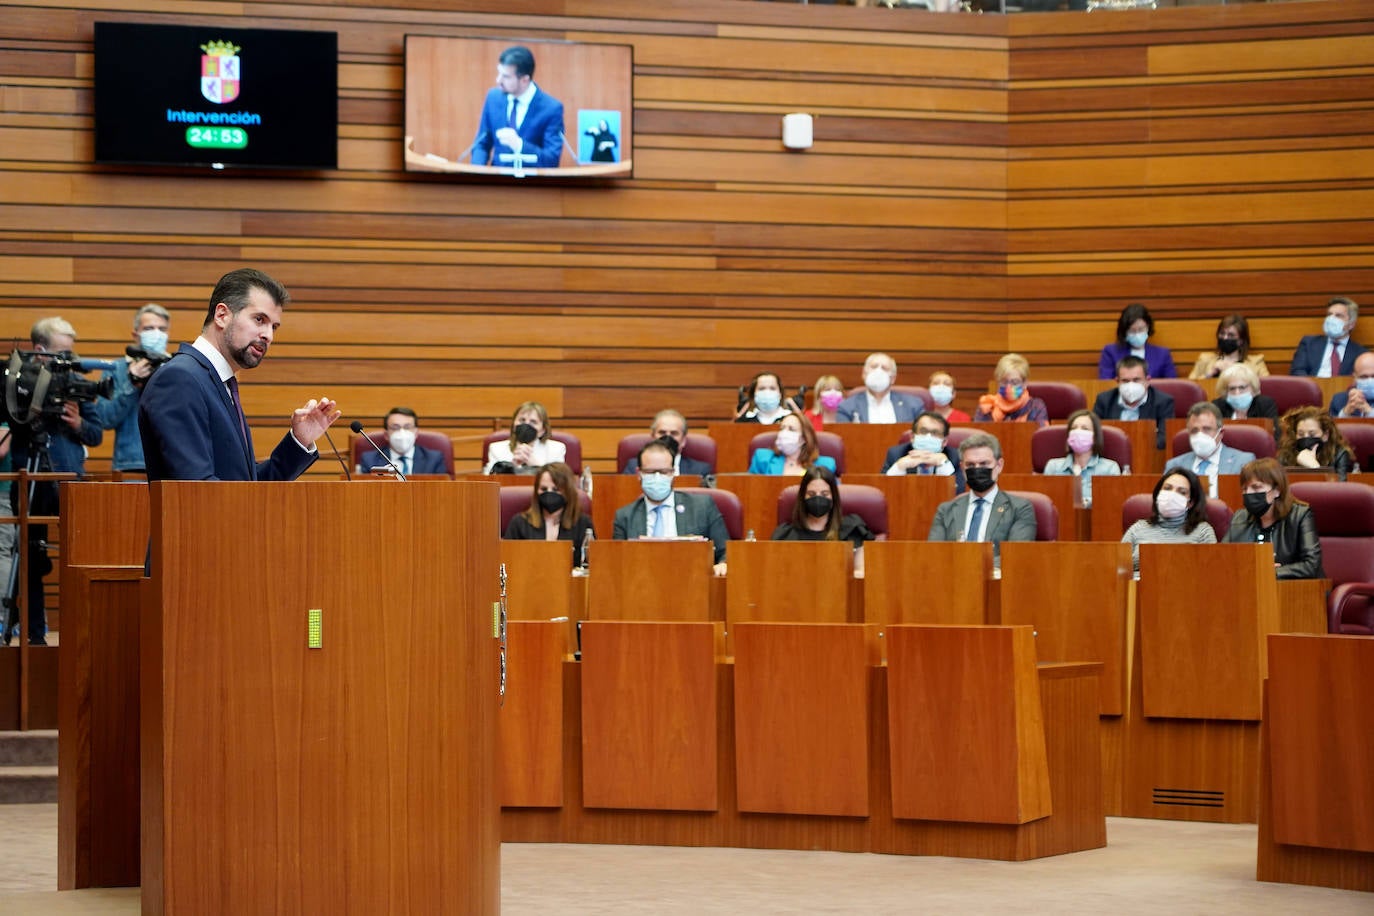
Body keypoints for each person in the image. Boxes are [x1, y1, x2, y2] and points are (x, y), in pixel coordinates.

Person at [139, 268, 340, 484]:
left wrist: (299, 441)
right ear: (222, 316)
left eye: (274, 326)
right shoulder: (180, 379)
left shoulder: (217, 382)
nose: (268, 335)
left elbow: (246, 489)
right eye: (259, 319)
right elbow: (196, 490)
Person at [2, 317, 104, 646]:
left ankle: (82, 634)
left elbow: (97, 434)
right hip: (29, 476)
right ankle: (33, 636)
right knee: (29, 558)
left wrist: (77, 424)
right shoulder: (19, 383)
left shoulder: (74, 383)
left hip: (70, 480)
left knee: (81, 556)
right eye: (60, 352)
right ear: (39, 349)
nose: (66, 361)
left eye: (70, 353)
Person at [612, 440, 729, 575]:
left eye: (664, 472)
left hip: (695, 583)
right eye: (650, 472)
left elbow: (725, 551)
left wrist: (723, 564)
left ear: (673, 473)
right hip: (642, 586)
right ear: (639, 474)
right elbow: (617, 562)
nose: (657, 477)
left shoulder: (702, 507)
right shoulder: (624, 516)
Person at [90, 303, 170, 473]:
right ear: (136, 335)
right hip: (130, 465)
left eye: (162, 329)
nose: (157, 334)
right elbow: (104, 419)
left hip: (171, 462)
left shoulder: (177, 369)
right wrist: (130, 383)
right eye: (149, 328)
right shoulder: (116, 370)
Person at [928, 432, 1037, 545]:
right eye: (970, 465)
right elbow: (935, 553)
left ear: (999, 465)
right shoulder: (946, 510)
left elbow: (1014, 556)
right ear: (961, 467)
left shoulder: (1019, 509)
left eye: (984, 464)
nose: (977, 469)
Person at [1224, 458, 1324, 580]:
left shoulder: (1300, 515)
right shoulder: (1240, 518)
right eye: (1245, 489)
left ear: (1277, 490)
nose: (1248, 493)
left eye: (1256, 488)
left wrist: (1273, 572)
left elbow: (1311, 565)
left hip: (1295, 591)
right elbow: (1223, 560)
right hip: (1251, 590)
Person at [471, 45, 564, 170]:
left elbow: (552, 159)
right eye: (499, 73)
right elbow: (481, 144)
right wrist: (476, 172)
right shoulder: (493, 98)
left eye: (506, 76)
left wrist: (519, 145)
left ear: (525, 80)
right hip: (496, 183)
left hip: (532, 186)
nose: (498, 80)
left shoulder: (551, 109)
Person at [1121, 468, 1217, 573]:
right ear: (1158, 494)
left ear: (1191, 503)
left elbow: (1212, 573)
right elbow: (1119, 568)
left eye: (1182, 492)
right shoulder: (1137, 529)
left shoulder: (1203, 532)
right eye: (1167, 488)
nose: (1172, 495)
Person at [503, 461, 594, 563]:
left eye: (556, 489)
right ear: (536, 491)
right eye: (544, 489)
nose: (549, 493)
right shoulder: (519, 523)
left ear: (568, 491)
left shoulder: (583, 524)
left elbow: (591, 563)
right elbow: (507, 561)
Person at [1163, 402, 1258, 496]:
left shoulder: (1242, 462)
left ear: (1221, 433)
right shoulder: (1174, 465)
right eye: (1194, 430)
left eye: (1207, 429)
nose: (1200, 435)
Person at [771, 466, 874, 549]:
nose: (818, 498)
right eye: (811, 494)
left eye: (824, 494)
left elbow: (860, 571)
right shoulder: (785, 535)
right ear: (802, 497)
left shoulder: (852, 529)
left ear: (833, 496)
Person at [1092, 355, 1174, 449]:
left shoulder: (1163, 402)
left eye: (1136, 380)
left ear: (1147, 380)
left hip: (1147, 454)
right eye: (1125, 381)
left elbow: (1164, 439)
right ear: (1117, 381)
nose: (1131, 385)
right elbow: (1095, 434)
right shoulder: (1104, 400)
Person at [1042, 409, 1121, 505]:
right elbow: (1047, 504)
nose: (1077, 432)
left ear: (1095, 437)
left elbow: (1111, 505)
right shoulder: (1053, 467)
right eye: (1074, 428)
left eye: (1085, 428)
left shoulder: (1109, 469)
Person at [882, 411, 967, 493]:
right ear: (912, 437)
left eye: (935, 433)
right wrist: (899, 467)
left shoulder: (954, 456)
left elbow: (959, 493)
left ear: (944, 442)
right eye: (923, 431)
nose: (928, 437)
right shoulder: (896, 454)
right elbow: (883, 492)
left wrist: (944, 465)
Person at [621, 409, 713, 478]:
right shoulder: (633, 466)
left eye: (674, 433)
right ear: (653, 437)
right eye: (662, 432)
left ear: (684, 440)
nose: (668, 437)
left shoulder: (700, 471)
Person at [1289, 296, 1366, 378]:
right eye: (1329, 314)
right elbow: (1297, 372)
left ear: (1351, 324)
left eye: (1338, 316)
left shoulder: (1361, 354)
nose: (1331, 319)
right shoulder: (1309, 344)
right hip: (1312, 389)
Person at [835, 353, 924, 423]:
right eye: (874, 367)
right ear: (864, 374)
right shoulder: (846, 407)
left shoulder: (913, 405)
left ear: (893, 378)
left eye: (884, 368)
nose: (878, 371)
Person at [1097, 303, 1177, 380]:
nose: (1137, 334)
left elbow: (1171, 385)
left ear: (1148, 327)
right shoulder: (1111, 352)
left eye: (1141, 329)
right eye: (1132, 331)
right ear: (1125, 331)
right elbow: (1106, 384)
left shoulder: (1162, 354)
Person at [360, 407, 448, 476]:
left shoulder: (433, 459)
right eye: (395, 428)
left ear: (416, 433)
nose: (402, 432)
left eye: (407, 427)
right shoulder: (370, 460)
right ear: (386, 435)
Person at [1276, 406, 1356, 479]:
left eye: (1312, 434)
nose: (1306, 438)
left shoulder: (1340, 454)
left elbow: (1340, 488)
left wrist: (1315, 467)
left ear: (1325, 435)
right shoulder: (1285, 454)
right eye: (1301, 434)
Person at [485, 401, 566, 473]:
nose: (526, 425)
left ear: (542, 431)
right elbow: (489, 479)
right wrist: (512, 467)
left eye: (533, 422)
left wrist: (535, 466)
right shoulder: (496, 449)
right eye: (522, 420)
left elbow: (559, 481)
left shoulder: (556, 449)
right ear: (513, 426)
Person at [973, 353, 1048, 427]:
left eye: (1014, 382)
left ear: (1025, 383)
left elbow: (1042, 437)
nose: (1008, 387)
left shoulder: (1036, 407)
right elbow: (979, 437)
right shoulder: (987, 406)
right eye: (1004, 382)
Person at [748, 413, 836, 476]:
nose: (784, 433)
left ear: (804, 438)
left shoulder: (826, 465)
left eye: (791, 429)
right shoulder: (762, 459)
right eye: (782, 428)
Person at [1189, 314, 1269, 380]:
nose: (1225, 338)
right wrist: (1209, 374)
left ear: (1241, 341)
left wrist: (1233, 373)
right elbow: (1191, 387)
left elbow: (1265, 387)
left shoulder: (1257, 363)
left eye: (1231, 335)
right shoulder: (1205, 359)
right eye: (1222, 334)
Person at [1210, 363, 1278, 426]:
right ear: (1225, 391)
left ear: (1253, 388)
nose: (1237, 393)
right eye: (1232, 388)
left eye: (1242, 387)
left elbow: (1274, 434)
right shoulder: (1217, 407)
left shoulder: (1264, 405)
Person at [1329, 350, 1374, 417]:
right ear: (1355, 378)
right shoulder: (1339, 401)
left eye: (1373, 376)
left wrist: (1370, 413)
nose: (1370, 380)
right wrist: (1345, 413)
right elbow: (1331, 426)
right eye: (1364, 377)